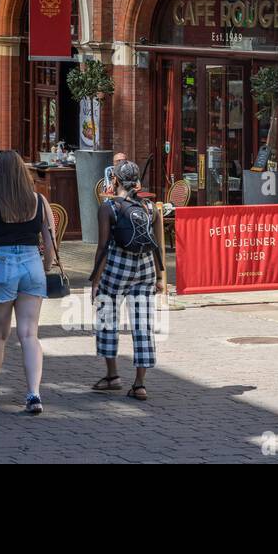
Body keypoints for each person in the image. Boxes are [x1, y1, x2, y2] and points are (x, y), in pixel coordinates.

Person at [0, 151, 58, 414]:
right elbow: (51, 242)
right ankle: (33, 393)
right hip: (33, 264)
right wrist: (45, 268)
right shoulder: (40, 201)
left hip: (2, 265)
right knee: (29, 334)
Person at [90, 161, 164, 402]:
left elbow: (102, 247)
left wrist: (95, 281)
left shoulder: (108, 208)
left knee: (107, 319)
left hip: (116, 268)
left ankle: (112, 376)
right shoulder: (152, 207)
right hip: (146, 269)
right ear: (137, 182)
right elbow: (158, 246)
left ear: (115, 181)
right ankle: (140, 384)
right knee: (143, 325)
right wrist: (161, 277)